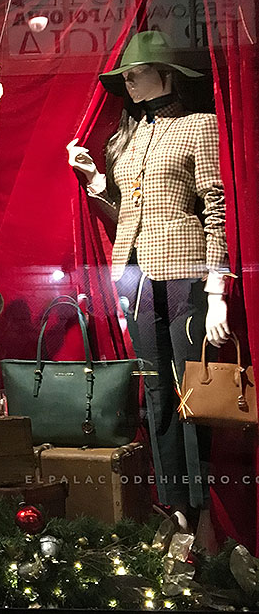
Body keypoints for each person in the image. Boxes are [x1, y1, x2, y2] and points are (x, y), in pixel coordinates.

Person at [67, 31, 232, 535]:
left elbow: (216, 208)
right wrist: (97, 180)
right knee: (156, 392)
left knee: (191, 391)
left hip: (186, 277)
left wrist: (217, 289)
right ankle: (171, 502)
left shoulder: (200, 126)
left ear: (165, 74)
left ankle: (202, 509)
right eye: (126, 78)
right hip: (137, 277)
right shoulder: (130, 138)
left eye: (136, 75)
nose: (129, 85)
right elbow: (129, 217)